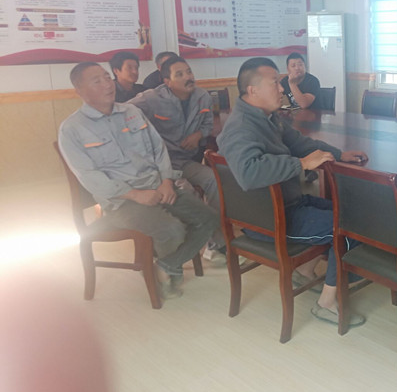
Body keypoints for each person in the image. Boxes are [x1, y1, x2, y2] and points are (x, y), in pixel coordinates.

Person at [217, 57, 368, 327]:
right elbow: (249, 172)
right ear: (252, 90)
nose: (282, 89)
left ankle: (305, 271)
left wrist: (338, 154)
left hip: (287, 204)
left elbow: (299, 143)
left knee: (354, 212)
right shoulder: (241, 127)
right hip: (269, 219)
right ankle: (326, 303)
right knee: (350, 225)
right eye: (275, 83)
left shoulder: (266, 117)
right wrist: (300, 164)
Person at [58, 62, 219, 298]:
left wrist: (166, 181)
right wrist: (135, 195)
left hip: (158, 186)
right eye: (97, 81)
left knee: (209, 219)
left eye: (107, 77)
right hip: (122, 201)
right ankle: (167, 277)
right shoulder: (72, 129)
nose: (107, 84)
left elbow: (158, 149)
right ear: (79, 91)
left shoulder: (131, 112)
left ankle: (165, 266)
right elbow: (89, 177)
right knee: (172, 229)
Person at [129, 56, 226, 264]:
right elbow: (124, 110)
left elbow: (208, 124)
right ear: (167, 81)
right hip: (161, 166)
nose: (188, 77)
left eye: (189, 71)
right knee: (187, 192)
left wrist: (199, 134)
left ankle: (216, 242)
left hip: (186, 161)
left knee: (215, 180)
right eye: (179, 74)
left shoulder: (202, 96)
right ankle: (189, 246)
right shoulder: (152, 98)